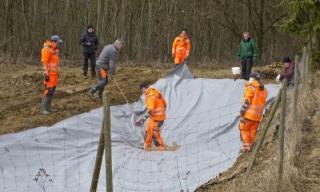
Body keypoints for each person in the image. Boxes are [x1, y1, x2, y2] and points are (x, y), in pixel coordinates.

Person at [239, 72, 268, 152]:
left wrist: (242, 113)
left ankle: (246, 146)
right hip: (258, 116)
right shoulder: (264, 90)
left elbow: (247, 101)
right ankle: (251, 145)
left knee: (244, 129)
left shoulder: (251, 87)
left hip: (248, 115)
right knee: (252, 131)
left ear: (252, 79)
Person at [135, 81, 167, 151]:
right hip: (155, 117)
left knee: (154, 134)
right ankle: (147, 145)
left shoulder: (150, 96)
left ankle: (161, 147)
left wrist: (142, 120)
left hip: (157, 119)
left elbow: (150, 110)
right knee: (148, 130)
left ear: (143, 88)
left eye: (142, 91)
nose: (142, 93)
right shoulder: (156, 92)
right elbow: (165, 104)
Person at [41, 35, 63, 115]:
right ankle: (44, 108)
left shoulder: (55, 50)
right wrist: (46, 74)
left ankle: (48, 108)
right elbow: (44, 63)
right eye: (58, 43)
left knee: (52, 91)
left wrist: (58, 72)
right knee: (48, 91)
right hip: (49, 75)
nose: (59, 44)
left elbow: (55, 64)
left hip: (54, 75)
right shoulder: (46, 50)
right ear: (53, 42)